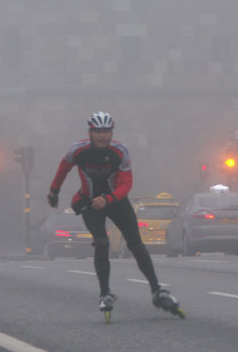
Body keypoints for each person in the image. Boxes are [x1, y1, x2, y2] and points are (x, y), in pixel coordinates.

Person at [47, 111, 181, 316]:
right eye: (99, 132)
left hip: (115, 200)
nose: (103, 136)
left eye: (107, 132)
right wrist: (54, 191)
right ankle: (105, 293)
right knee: (102, 243)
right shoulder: (78, 150)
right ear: (90, 133)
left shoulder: (120, 151)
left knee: (136, 245)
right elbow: (63, 168)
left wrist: (108, 199)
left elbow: (127, 183)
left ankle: (157, 290)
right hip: (90, 201)